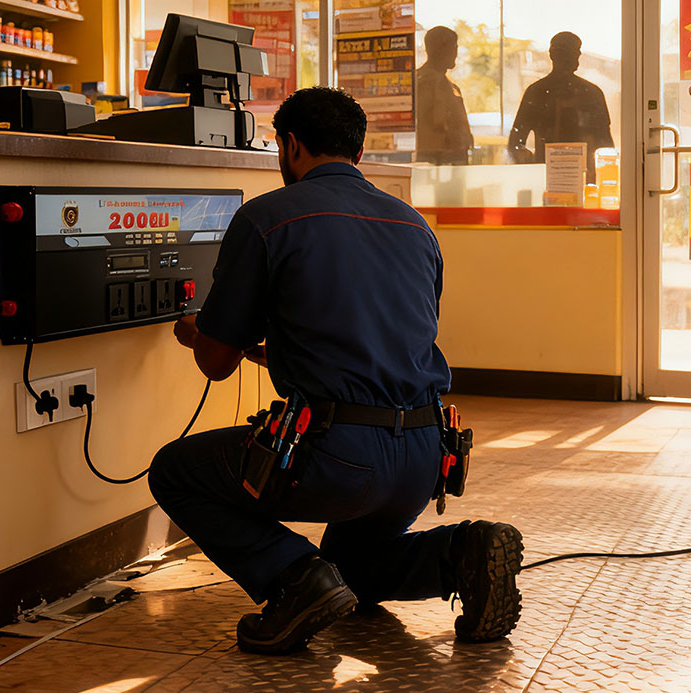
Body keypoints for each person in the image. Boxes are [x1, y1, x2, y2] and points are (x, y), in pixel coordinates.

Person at [148, 87, 523, 656]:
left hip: (336, 457)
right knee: (353, 569)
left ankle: (292, 578)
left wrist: (199, 332)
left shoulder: (266, 218)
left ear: (291, 145)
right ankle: (462, 553)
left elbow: (216, 364)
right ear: (358, 148)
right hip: (424, 456)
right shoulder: (415, 226)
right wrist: (271, 349)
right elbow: (374, 345)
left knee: (175, 470)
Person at [508, 31, 614, 182]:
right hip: (548, 179)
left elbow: (606, 146)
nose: (573, 56)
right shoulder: (537, 93)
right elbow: (516, 143)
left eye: (575, 51)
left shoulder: (591, 93)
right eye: (568, 51)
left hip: (581, 180)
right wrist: (533, 167)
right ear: (553, 54)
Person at [415, 26, 473, 165]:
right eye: (454, 46)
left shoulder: (448, 84)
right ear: (441, 48)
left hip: (451, 162)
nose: (456, 53)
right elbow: (438, 123)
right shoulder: (425, 82)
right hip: (437, 163)